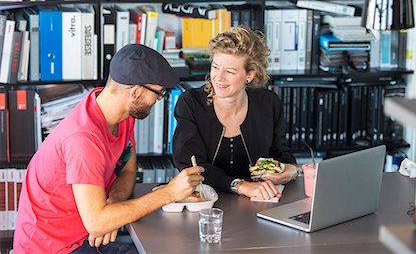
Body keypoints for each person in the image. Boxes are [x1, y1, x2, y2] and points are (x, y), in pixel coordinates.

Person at [14, 44, 204, 253]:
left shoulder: (118, 115)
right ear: (135, 92)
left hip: (86, 234)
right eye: (159, 94)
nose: (159, 100)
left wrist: (114, 206)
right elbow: (96, 223)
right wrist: (170, 192)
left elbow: (128, 169)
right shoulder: (83, 139)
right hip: (54, 248)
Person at [172, 27, 299, 201]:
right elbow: (190, 166)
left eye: (230, 72)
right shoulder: (191, 103)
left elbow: (281, 152)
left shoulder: (269, 103)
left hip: (260, 202)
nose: (218, 77)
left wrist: (291, 170)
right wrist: (241, 186)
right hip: (206, 203)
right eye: (215, 67)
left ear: (249, 75)